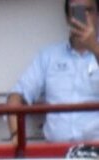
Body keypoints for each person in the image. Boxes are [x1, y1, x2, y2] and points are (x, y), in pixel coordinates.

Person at [8, 0, 99, 143]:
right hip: (57, 154)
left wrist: (94, 48)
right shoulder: (49, 56)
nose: (84, 17)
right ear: (68, 17)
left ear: (97, 15)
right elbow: (16, 96)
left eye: (89, 10)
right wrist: (15, 135)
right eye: (78, 11)